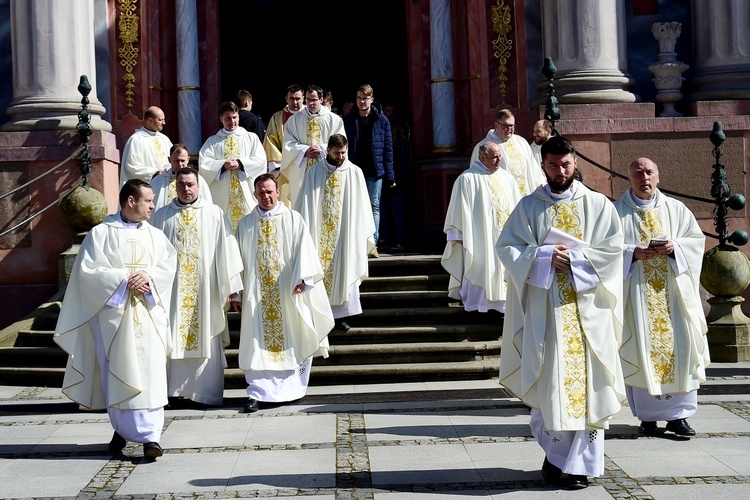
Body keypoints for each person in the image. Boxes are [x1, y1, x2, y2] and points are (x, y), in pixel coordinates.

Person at [496, 135, 625, 490]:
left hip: (589, 315)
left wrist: (579, 259)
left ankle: (580, 465)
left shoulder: (598, 205)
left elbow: (613, 251)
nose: (560, 171)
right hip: (548, 314)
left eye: (566, 164)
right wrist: (541, 257)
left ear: (575, 163)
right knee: (551, 383)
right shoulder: (528, 207)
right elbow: (507, 248)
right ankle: (556, 457)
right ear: (543, 166)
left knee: (589, 388)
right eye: (553, 165)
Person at [53, 179, 177, 459]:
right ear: (130, 201)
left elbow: (168, 265)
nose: (152, 205)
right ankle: (121, 428)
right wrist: (123, 281)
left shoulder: (156, 236)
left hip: (148, 315)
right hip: (114, 317)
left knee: (151, 374)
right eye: (148, 200)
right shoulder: (100, 234)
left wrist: (148, 277)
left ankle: (151, 438)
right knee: (119, 370)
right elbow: (88, 272)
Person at [614, 157, 709, 437]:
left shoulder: (676, 209)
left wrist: (674, 247)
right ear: (629, 178)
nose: (644, 177)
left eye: (649, 172)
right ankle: (648, 416)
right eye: (638, 173)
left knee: (678, 349)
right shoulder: (616, 213)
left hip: (674, 298)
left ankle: (679, 417)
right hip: (637, 296)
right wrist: (631, 252)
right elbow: (604, 249)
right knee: (640, 349)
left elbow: (695, 241)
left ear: (658, 176)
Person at [233, 174, 334, 413]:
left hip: (287, 292)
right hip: (256, 297)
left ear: (278, 191)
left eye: (270, 191)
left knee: (291, 335)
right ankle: (256, 392)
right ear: (255, 194)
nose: (266, 197)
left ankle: (291, 390)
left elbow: (305, 251)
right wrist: (236, 294)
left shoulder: (292, 219)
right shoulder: (245, 224)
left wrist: (304, 278)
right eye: (261, 192)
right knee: (256, 342)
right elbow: (237, 262)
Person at [150, 167, 243, 407]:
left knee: (205, 333)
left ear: (199, 187)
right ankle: (172, 393)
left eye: (190, 184)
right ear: (175, 186)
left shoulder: (214, 214)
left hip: (206, 290)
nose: (186, 189)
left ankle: (204, 393)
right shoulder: (161, 216)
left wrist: (232, 288)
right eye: (181, 184)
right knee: (171, 337)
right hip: (171, 293)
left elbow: (227, 250)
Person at [294, 134, 375, 332]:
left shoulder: (354, 172)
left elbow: (363, 206)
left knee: (345, 270)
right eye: (337, 152)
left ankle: (341, 317)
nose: (340, 156)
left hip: (345, 233)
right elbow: (304, 204)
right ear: (328, 150)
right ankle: (321, 316)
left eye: (343, 152)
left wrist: (360, 232)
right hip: (318, 232)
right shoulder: (314, 172)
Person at [441, 142, 521, 313]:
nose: (499, 160)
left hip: (506, 238)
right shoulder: (467, 179)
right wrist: (458, 235)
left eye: (500, 156)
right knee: (481, 268)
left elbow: (517, 208)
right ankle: (479, 308)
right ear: (482, 157)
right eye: (494, 157)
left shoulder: (507, 178)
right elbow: (458, 210)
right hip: (480, 239)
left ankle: (503, 310)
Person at [343, 84, 394, 258]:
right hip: (354, 169)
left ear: (372, 99)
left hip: (375, 170)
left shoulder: (381, 120)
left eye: (365, 98)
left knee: (374, 206)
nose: (362, 102)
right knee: (354, 206)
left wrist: (390, 174)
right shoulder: (348, 120)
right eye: (359, 98)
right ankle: (356, 244)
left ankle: (372, 243)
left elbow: (388, 148)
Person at [198, 101, 267, 231]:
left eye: (234, 117)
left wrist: (241, 163)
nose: (232, 121)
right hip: (223, 194)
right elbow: (204, 164)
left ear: (238, 117)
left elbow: (261, 161)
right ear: (221, 119)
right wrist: (222, 165)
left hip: (245, 190)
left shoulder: (251, 138)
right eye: (228, 118)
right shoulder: (212, 141)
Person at [280, 85, 346, 207]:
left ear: (321, 100)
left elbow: (341, 143)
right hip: (302, 169)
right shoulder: (295, 120)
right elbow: (288, 144)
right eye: (308, 100)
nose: (311, 103)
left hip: (326, 166)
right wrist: (305, 150)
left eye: (314, 100)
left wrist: (321, 149)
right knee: (303, 203)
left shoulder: (334, 120)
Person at [470, 109, 545, 196]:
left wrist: (543, 190)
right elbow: (477, 177)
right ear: (496, 125)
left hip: (524, 199)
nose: (509, 129)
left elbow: (533, 171)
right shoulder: (483, 146)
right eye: (505, 125)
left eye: (512, 126)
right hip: (501, 198)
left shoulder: (521, 142)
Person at [119, 106, 172, 186]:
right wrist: (154, 172)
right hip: (146, 186)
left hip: (165, 184)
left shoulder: (164, 139)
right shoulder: (136, 140)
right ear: (150, 120)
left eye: (163, 119)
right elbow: (131, 166)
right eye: (160, 120)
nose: (164, 123)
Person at [150, 143, 213, 210]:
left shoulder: (198, 179)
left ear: (188, 159)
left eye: (182, 160)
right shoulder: (157, 181)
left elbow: (206, 205)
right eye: (176, 161)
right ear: (169, 160)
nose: (180, 164)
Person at [263, 84, 304, 175]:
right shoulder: (277, 117)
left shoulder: (309, 117)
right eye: (291, 98)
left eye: (298, 99)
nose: (295, 102)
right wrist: (280, 164)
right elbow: (271, 141)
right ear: (286, 99)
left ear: (303, 98)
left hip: (306, 162)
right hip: (285, 165)